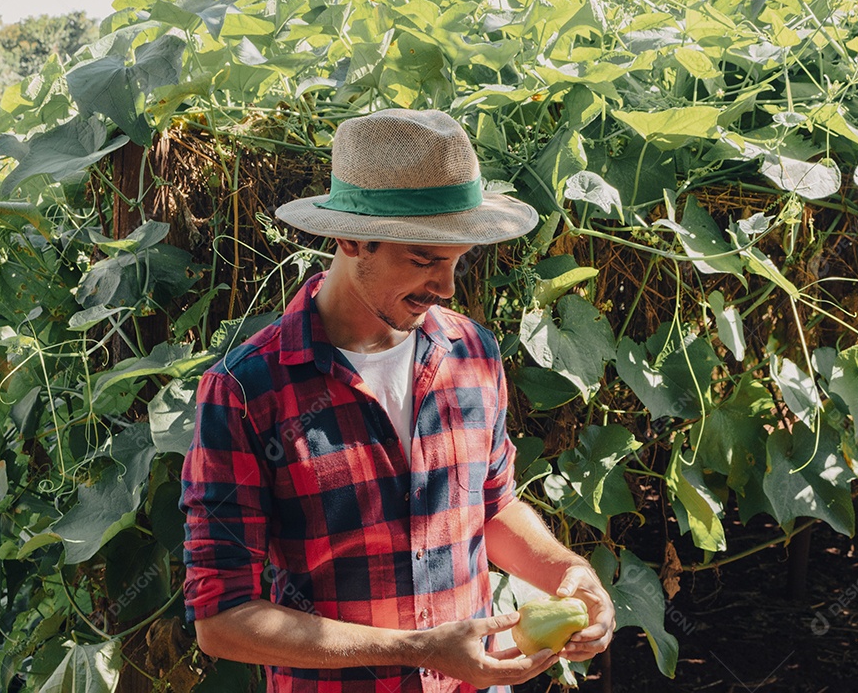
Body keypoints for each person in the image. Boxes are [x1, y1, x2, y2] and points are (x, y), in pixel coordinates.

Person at [181, 109, 616, 692]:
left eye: (457, 259)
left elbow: (491, 509)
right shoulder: (247, 391)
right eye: (423, 258)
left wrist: (571, 573)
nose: (446, 286)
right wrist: (415, 649)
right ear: (350, 237)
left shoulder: (471, 351)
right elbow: (222, 621)